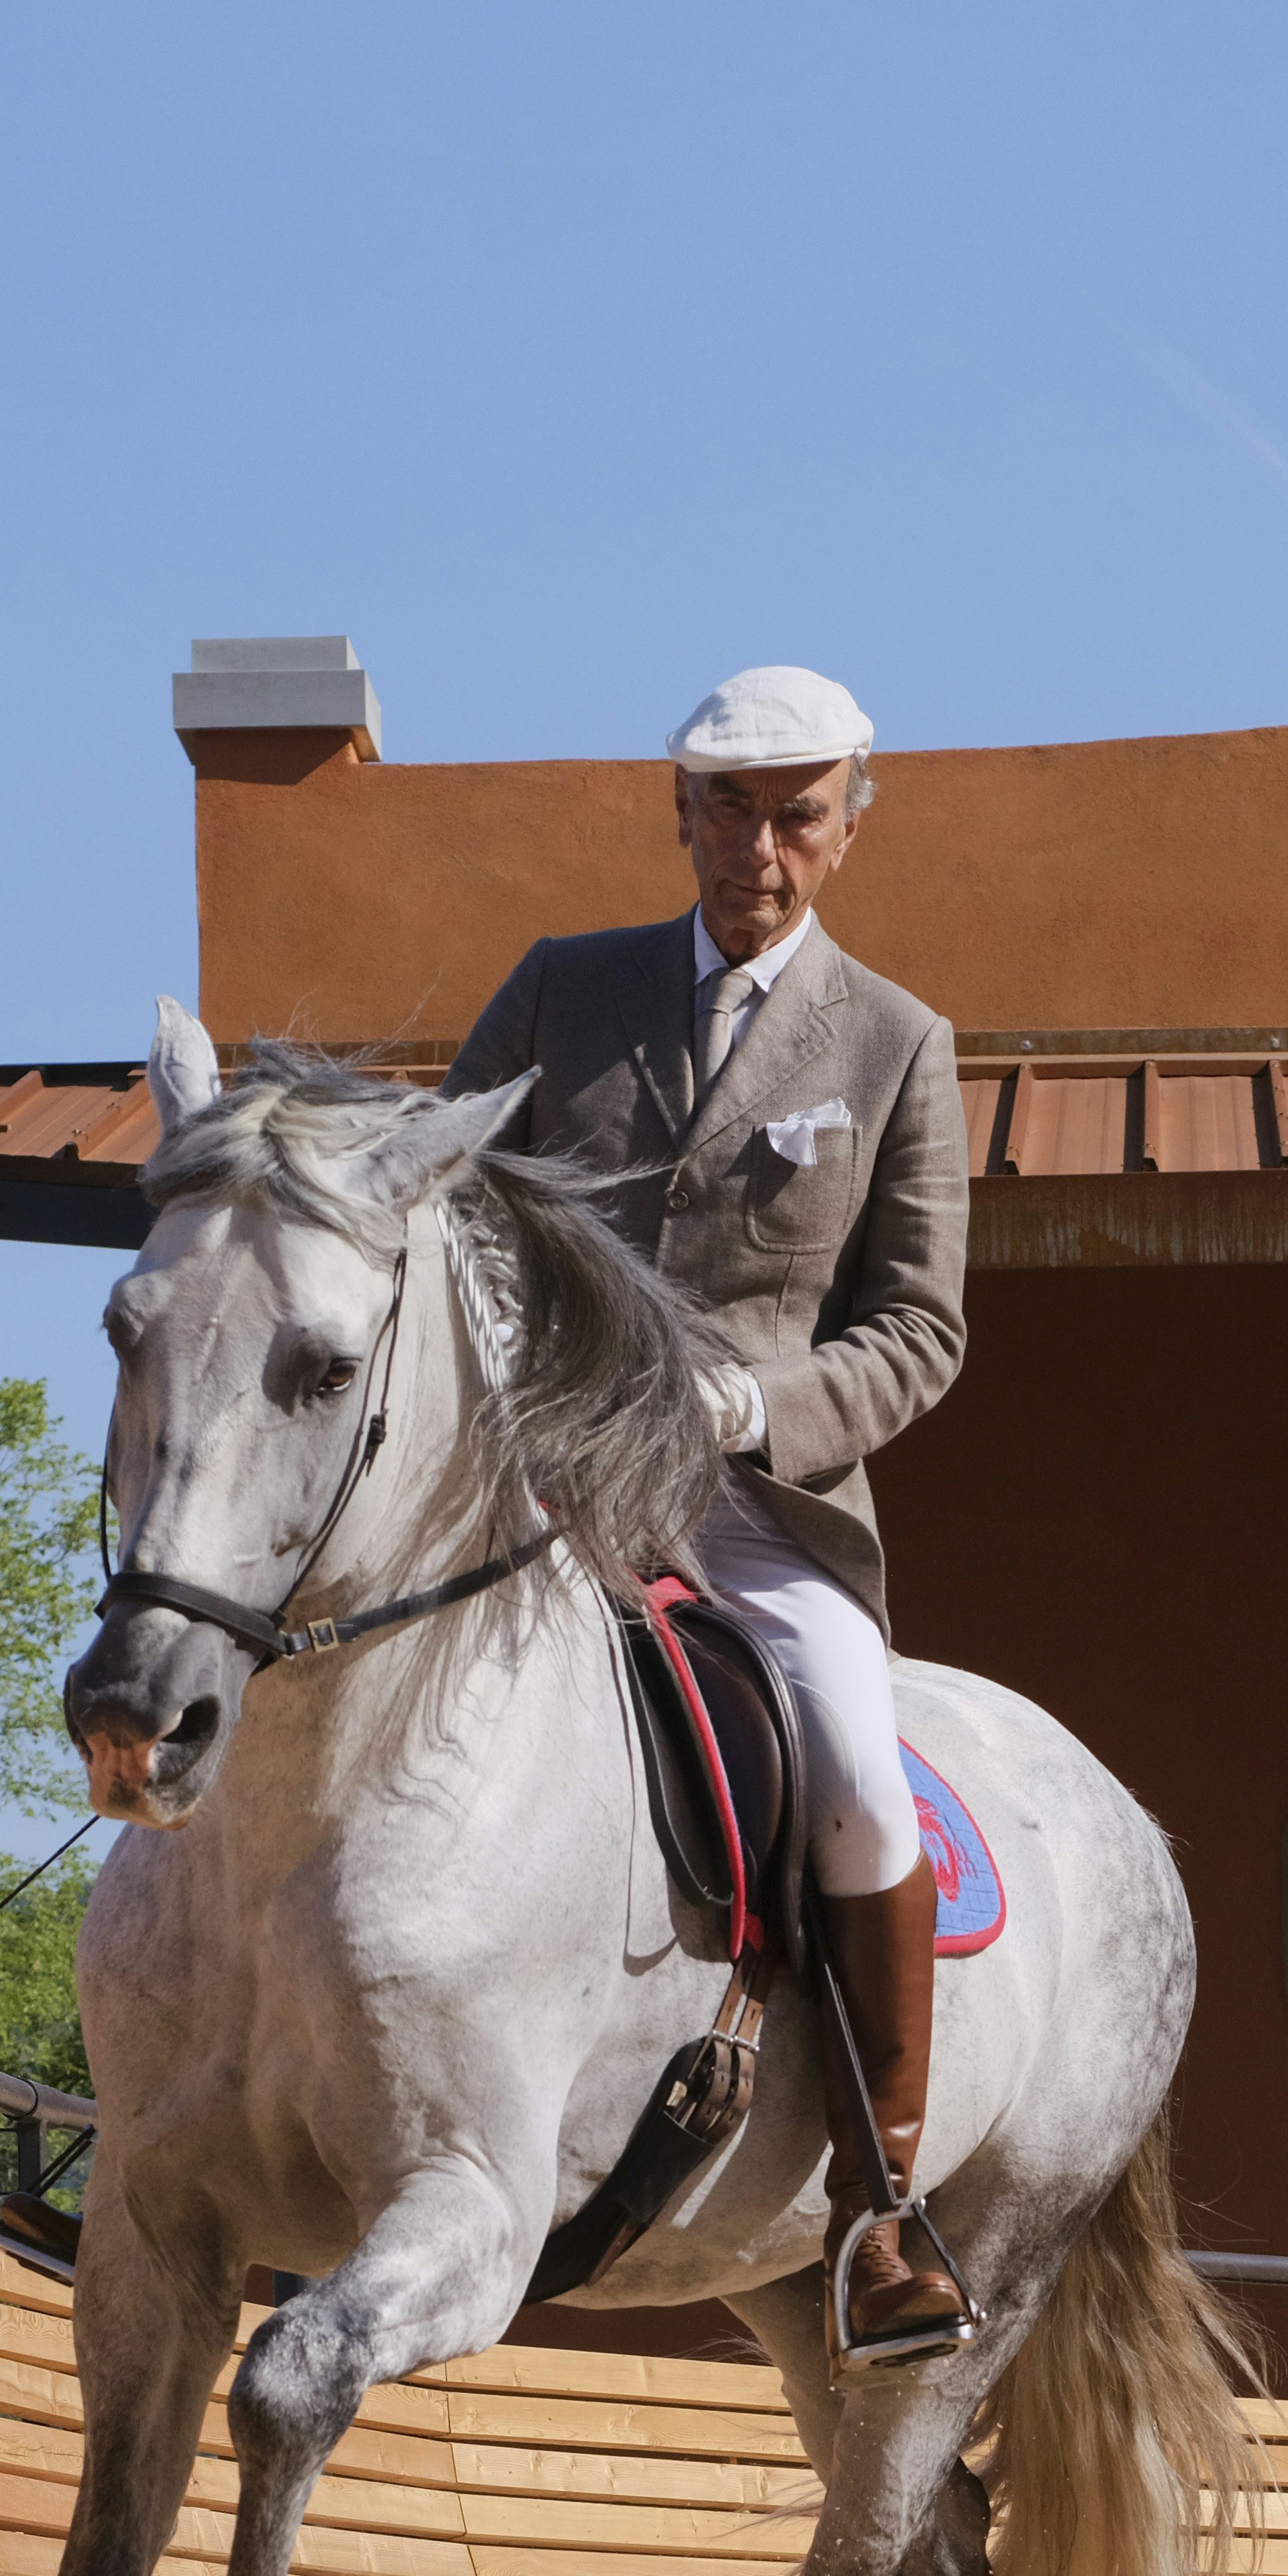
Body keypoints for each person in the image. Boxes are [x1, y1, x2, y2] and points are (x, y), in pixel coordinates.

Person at [441, 666, 979, 2361]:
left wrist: (758, 1405)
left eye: (797, 814)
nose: (761, 845)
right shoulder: (561, 989)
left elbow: (921, 1333)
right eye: (731, 810)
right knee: (294, 1637)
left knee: (859, 1775)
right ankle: (150, 2118)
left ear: (849, 827)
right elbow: (444, 1210)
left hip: (754, 1504)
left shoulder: (896, 1042)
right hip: (530, 1467)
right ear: (679, 814)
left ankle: (881, 2212)